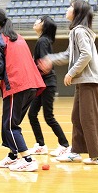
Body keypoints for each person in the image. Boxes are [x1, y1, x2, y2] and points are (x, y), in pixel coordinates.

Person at [38, 0, 98, 166]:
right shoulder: (76, 32)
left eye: (71, 7)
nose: (67, 9)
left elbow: (86, 55)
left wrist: (71, 73)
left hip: (90, 80)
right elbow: (69, 54)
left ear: (77, 13)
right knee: (77, 117)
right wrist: (50, 59)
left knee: (90, 118)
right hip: (84, 80)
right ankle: (76, 152)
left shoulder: (79, 31)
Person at [0, 9, 45, 172]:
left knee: (10, 125)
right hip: (31, 85)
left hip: (17, 87)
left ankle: (27, 158)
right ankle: (13, 155)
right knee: (9, 121)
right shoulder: (18, 38)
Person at [28, 16, 70, 157]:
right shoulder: (43, 41)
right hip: (41, 84)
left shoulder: (43, 41)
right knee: (32, 114)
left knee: (48, 116)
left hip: (46, 84)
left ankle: (64, 145)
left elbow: (45, 65)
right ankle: (40, 145)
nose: (36, 21)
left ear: (44, 26)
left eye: (39, 20)